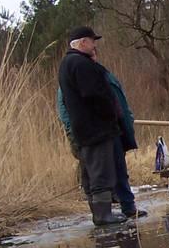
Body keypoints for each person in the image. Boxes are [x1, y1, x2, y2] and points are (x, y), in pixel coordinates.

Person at [57, 26, 127, 226]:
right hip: (95, 129)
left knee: (91, 172)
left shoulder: (67, 64)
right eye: (92, 41)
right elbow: (94, 94)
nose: (94, 45)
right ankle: (103, 215)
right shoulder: (81, 64)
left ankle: (99, 213)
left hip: (84, 129)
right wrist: (110, 114)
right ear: (82, 43)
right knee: (101, 172)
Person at [58, 66, 146, 219]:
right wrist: (73, 130)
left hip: (112, 129)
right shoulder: (71, 80)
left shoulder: (105, 75)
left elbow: (119, 99)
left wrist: (128, 118)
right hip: (88, 134)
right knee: (94, 173)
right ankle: (101, 214)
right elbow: (65, 110)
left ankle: (128, 206)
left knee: (119, 168)